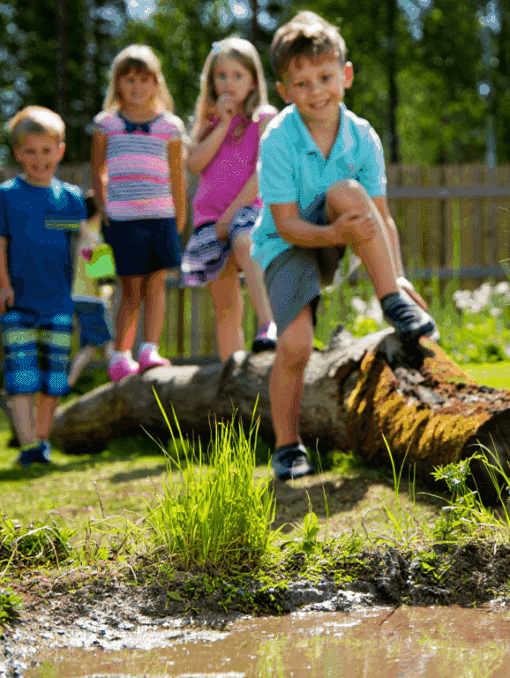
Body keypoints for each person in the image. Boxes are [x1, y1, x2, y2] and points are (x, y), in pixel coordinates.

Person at [255, 11, 437, 480]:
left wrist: (395, 275)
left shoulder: (362, 136)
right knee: (294, 344)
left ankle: (391, 303)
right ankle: (287, 445)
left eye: (325, 77)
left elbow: (379, 217)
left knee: (349, 193)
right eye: (301, 83)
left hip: (340, 226)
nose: (316, 92)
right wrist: (336, 235)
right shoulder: (277, 139)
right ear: (284, 92)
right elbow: (289, 225)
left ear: (346, 75)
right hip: (287, 243)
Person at [0, 106, 86, 468]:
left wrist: (101, 286)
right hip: (19, 304)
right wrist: (3, 286)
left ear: (59, 151)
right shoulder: (8, 195)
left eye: (46, 151)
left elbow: (90, 243)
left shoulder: (70, 199)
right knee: (22, 376)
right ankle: (28, 446)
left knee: (53, 379)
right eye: (30, 151)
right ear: (18, 153)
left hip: (59, 303)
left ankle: (41, 441)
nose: (39, 159)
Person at [91, 44, 186, 382]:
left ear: (156, 83)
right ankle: (120, 356)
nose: (136, 87)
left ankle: (150, 349)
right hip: (123, 219)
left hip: (161, 216)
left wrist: (179, 215)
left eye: (144, 80)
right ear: (117, 84)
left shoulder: (170, 127)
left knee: (156, 285)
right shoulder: (107, 124)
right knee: (129, 288)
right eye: (129, 80)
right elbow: (97, 170)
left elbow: (177, 174)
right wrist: (104, 208)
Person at [181, 37, 279, 360]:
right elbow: (194, 163)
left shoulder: (262, 117)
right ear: (211, 82)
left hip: (247, 212)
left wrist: (231, 215)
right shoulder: (210, 121)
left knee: (244, 241)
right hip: (210, 221)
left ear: (253, 80)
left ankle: (268, 324)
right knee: (225, 307)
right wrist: (222, 123)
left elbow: (262, 174)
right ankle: (231, 372)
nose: (229, 83)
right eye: (221, 76)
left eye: (238, 75)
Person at [69, 191, 116, 386]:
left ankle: (66, 384)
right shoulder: (92, 236)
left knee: (88, 348)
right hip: (93, 299)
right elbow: (101, 271)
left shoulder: (85, 233)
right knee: (109, 343)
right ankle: (121, 382)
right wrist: (106, 289)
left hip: (80, 297)